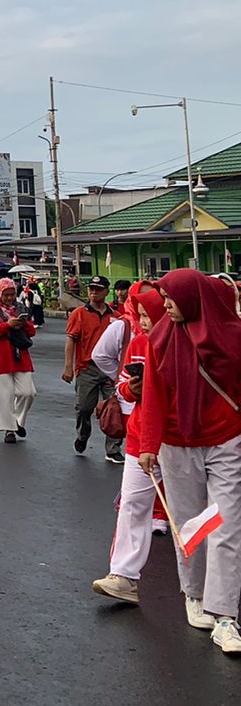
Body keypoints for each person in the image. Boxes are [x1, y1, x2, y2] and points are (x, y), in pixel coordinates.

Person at [138, 270, 241, 653]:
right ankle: (194, 594)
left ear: (194, 297)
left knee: (227, 523)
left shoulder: (232, 334)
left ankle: (225, 615)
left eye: (171, 296)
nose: (165, 304)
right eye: (163, 296)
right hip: (177, 444)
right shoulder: (160, 338)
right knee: (193, 524)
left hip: (226, 439)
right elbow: (154, 392)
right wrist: (148, 444)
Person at [91, 285, 167, 605]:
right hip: (139, 436)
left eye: (150, 315)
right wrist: (134, 387)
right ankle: (122, 575)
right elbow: (123, 386)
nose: (144, 321)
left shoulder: (184, 345)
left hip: (179, 440)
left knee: (198, 510)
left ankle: (205, 583)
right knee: (132, 506)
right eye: (142, 315)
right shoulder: (136, 343)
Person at [65, 276, 124, 463]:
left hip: (110, 368)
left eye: (98, 289)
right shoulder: (79, 314)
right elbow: (71, 340)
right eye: (91, 289)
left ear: (106, 292)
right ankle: (82, 435)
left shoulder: (115, 316)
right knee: (84, 407)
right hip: (87, 367)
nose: (93, 292)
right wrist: (68, 367)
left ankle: (113, 448)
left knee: (116, 408)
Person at [0, 278, 37, 443]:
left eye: (12, 294)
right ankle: (9, 430)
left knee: (28, 392)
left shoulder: (21, 308)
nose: (9, 298)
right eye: (6, 295)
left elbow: (32, 332)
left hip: (20, 354)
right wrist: (7, 325)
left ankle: (17, 422)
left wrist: (23, 323)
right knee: (4, 396)